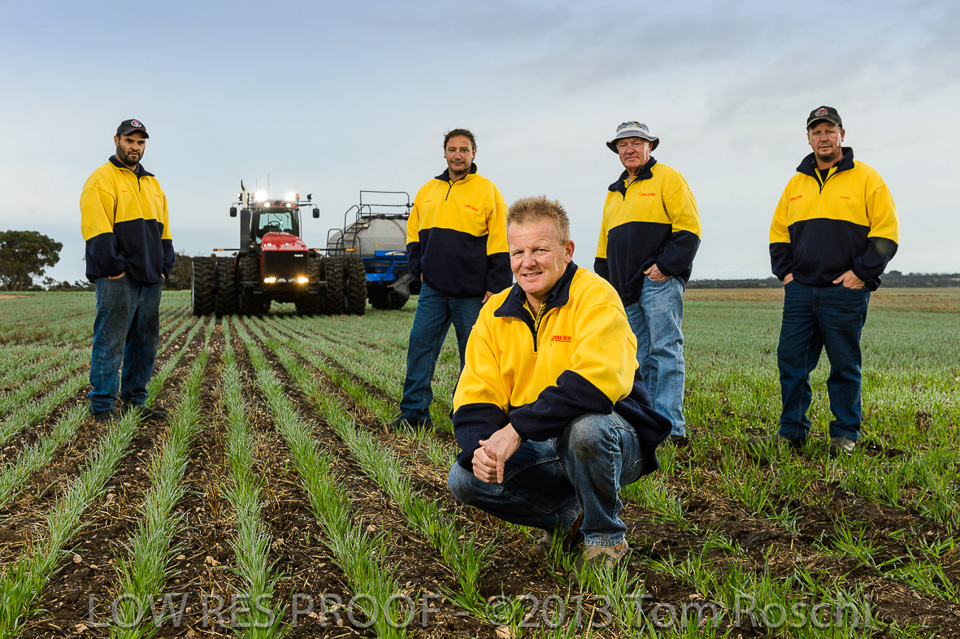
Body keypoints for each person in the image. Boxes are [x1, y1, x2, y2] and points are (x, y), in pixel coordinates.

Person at [448, 196, 670, 570]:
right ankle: (567, 518)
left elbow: (594, 385)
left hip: (612, 438)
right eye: (518, 252)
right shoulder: (493, 314)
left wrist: (516, 430)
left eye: (540, 249)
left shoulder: (596, 296)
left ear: (567, 251)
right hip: (541, 443)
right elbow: (476, 394)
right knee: (464, 477)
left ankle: (605, 537)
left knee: (585, 430)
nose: (527, 262)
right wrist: (480, 448)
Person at [769, 106, 899, 455]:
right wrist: (786, 274)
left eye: (829, 130)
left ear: (842, 134)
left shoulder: (867, 178)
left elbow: (886, 234)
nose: (823, 137)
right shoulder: (796, 184)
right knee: (792, 364)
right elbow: (779, 234)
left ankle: (844, 434)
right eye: (817, 132)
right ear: (808, 138)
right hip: (801, 292)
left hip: (845, 292)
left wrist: (861, 273)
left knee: (844, 366)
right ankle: (792, 432)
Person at [387, 128, 511, 429]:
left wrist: (496, 286)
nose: (458, 155)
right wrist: (417, 266)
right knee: (420, 345)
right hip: (433, 289)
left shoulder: (488, 191)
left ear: (474, 154)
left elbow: (501, 240)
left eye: (464, 150)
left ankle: (468, 415)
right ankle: (414, 413)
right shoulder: (427, 191)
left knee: (474, 356)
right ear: (444, 153)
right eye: (452, 149)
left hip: (472, 292)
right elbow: (413, 232)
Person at [594, 122, 701, 443]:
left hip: (659, 282)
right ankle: (647, 425)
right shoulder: (614, 193)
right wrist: (607, 287)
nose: (629, 149)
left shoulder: (668, 178)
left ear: (649, 147)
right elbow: (604, 246)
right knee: (637, 358)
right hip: (624, 289)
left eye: (636, 143)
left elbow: (689, 229)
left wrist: (665, 267)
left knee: (665, 351)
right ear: (616, 150)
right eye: (623, 144)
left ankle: (672, 427)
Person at [80, 119, 174, 422]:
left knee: (145, 343)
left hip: (151, 278)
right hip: (117, 278)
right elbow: (96, 228)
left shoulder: (153, 184)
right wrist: (114, 268)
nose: (135, 147)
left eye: (140, 142)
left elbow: (164, 231)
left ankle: (135, 402)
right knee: (110, 341)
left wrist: (164, 267)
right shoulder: (102, 179)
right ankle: (103, 406)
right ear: (117, 140)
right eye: (130, 140)